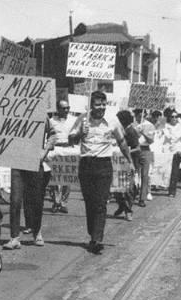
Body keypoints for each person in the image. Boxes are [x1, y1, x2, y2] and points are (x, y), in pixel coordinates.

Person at [68, 91, 132, 254]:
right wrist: (80, 133)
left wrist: (130, 161)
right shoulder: (82, 119)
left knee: (101, 202)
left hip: (104, 165)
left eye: (104, 104)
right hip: (86, 165)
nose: (101, 107)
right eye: (98, 104)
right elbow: (71, 139)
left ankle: (97, 238)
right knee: (90, 202)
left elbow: (122, 142)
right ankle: (93, 233)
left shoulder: (112, 120)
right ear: (91, 106)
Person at [4, 115, 56, 249]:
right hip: (17, 162)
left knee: (36, 200)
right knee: (15, 200)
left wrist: (44, 152)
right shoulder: (14, 114)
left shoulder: (42, 116)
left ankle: (37, 232)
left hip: (34, 163)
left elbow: (53, 135)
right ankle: (14, 237)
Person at [48, 100, 76, 213]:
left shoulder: (73, 120)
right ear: (58, 109)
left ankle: (64, 202)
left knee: (67, 178)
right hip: (56, 149)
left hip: (68, 149)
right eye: (63, 108)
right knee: (55, 178)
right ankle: (56, 202)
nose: (66, 110)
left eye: (67, 108)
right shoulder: (51, 121)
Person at [112, 110, 140, 221]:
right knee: (116, 187)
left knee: (128, 189)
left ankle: (128, 210)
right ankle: (121, 206)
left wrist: (126, 152)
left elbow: (137, 148)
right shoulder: (118, 130)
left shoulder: (131, 132)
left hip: (129, 163)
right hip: (117, 163)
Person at [162, 109, 181, 197]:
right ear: (169, 118)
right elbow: (166, 137)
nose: (174, 118)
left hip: (177, 151)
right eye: (172, 117)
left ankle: (172, 191)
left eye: (176, 117)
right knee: (166, 170)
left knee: (174, 171)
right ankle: (165, 186)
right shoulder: (165, 127)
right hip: (167, 151)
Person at [134, 109, 155, 206]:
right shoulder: (132, 124)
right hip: (134, 149)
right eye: (137, 115)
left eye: (141, 115)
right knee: (132, 173)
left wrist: (143, 133)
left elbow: (151, 140)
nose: (139, 117)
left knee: (144, 174)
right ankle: (132, 194)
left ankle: (142, 198)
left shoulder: (150, 125)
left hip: (145, 149)